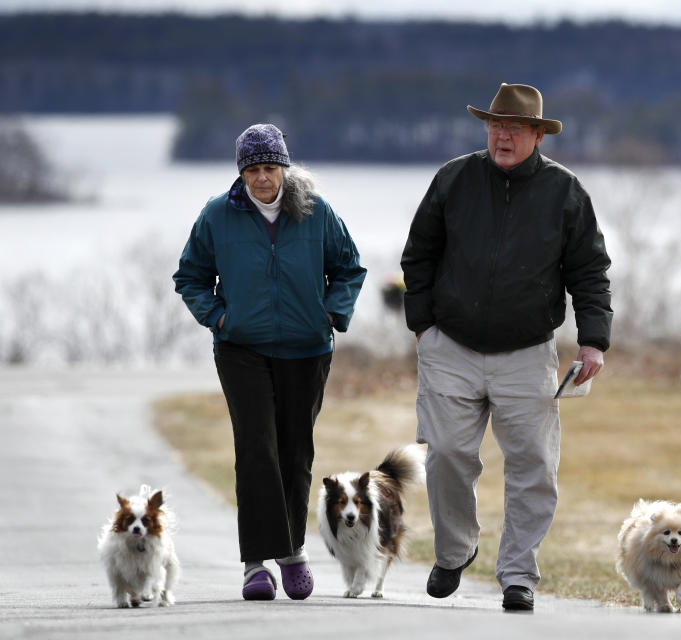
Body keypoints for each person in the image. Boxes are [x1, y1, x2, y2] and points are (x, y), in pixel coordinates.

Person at [401, 83, 612, 611]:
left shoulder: (565, 193)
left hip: (528, 353)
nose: (502, 136)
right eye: (495, 126)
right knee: (446, 454)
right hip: (450, 346)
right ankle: (455, 552)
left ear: (537, 135)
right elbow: (418, 256)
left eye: (514, 128)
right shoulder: (453, 179)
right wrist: (423, 327)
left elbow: (590, 272)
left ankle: (518, 575)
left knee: (534, 468)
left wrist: (593, 342)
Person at [173, 123, 366, 601]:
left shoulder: (316, 212)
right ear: (241, 173)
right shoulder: (218, 215)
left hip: (308, 348)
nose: (262, 178)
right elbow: (190, 276)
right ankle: (257, 565)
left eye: (270, 167)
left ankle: (292, 548)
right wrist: (218, 317)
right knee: (257, 449)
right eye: (253, 169)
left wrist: (332, 312)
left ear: (284, 166)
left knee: (295, 452)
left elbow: (349, 267)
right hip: (242, 348)